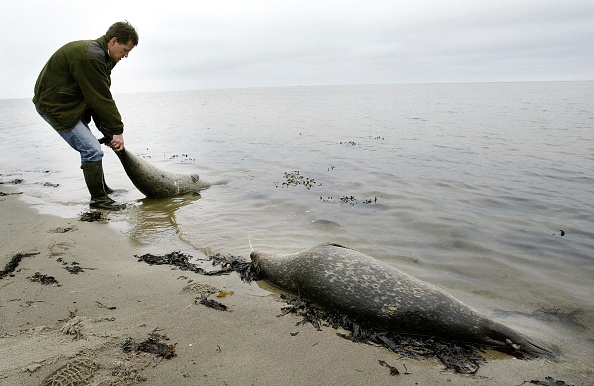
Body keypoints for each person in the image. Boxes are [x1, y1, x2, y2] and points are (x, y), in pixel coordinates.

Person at [33, 21, 139, 210]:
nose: (126, 55)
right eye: (125, 50)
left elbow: (95, 96)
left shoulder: (103, 58)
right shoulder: (91, 57)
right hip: (56, 105)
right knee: (91, 150)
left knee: (92, 147)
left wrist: (106, 131)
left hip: (71, 103)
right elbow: (101, 98)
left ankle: (103, 190)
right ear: (113, 41)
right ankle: (98, 200)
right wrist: (117, 131)